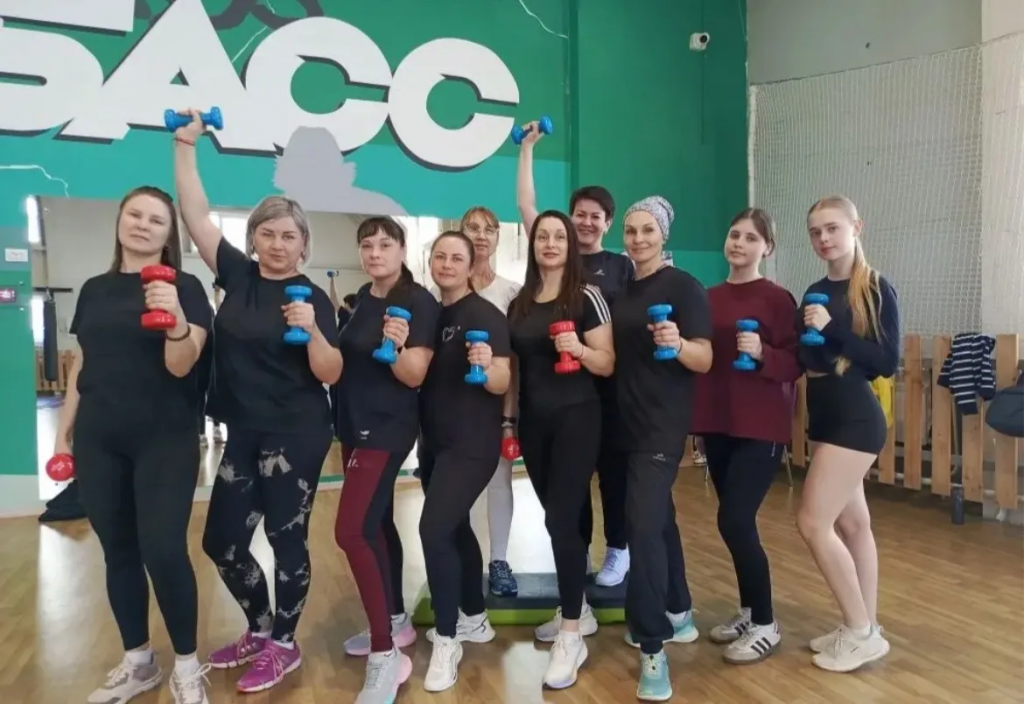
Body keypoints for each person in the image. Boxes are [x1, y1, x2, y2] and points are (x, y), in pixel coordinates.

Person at [173, 110, 342, 693]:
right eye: (267, 233)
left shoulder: (313, 296)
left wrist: (312, 329)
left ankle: (285, 646)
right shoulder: (237, 275)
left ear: (303, 245)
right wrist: (185, 144)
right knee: (220, 542)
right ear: (253, 239)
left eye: (288, 236)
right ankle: (261, 626)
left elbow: (331, 371)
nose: (277, 243)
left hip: (297, 431)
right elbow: (194, 214)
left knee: (286, 540)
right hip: (243, 431)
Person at [54, 186, 213, 704]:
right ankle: (138, 662)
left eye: (156, 220)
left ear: (169, 235)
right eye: (135, 215)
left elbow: (182, 365)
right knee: (118, 550)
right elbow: (83, 363)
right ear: (120, 221)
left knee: (163, 549)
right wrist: (63, 433)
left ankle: (186, 666)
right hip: (99, 438)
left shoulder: (186, 287)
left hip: (165, 438)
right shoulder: (94, 289)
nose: (143, 225)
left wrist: (177, 320)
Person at [517, 124, 632, 587]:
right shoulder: (556, 260)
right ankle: (576, 555)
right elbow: (527, 206)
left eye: (594, 216)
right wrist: (527, 148)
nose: (585, 222)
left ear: (607, 222)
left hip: (610, 389)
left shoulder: (621, 267)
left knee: (613, 476)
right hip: (561, 395)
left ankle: (618, 549)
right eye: (578, 215)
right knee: (569, 491)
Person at [505, 210, 615, 689]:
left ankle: (571, 633)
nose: (549, 243)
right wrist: (509, 421)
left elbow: (607, 363)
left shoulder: (586, 295)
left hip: (577, 418)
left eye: (558, 237)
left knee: (559, 520)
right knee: (563, 516)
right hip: (534, 423)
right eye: (541, 237)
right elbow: (515, 369)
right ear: (532, 245)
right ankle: (580, 607)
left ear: (571, 245)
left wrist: (581, 349)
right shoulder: (520, 303)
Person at [332, 216, 439, 703]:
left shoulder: (418, 301)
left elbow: (414, 374)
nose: (375, 253)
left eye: (384, 244)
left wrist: (393, 346)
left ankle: (385, 654)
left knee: (350, 531)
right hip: (352, 425)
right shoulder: (362, 298)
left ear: (401, 250)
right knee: (374, 525)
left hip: (386, 428)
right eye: (367, 245)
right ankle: (395, 622)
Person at [611, 196, 712, 701]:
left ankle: (653, 644)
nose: (638, 239)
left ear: (663, 234)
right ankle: (679, 609)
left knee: (642, 526)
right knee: (659, 518)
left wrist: (679, 342)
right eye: (631, 231)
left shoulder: (683, 286)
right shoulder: (622, 288)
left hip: (661, 424)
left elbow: (704, 358)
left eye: (647, 230)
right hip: (622, 423)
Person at [691, 208, 801, 664]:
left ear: (766, 248)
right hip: (718, 423)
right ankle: (750, 610)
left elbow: (795, 363)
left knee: (734, 520)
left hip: (760, 425)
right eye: (734, 234)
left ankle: (766, 623)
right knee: (736, 522)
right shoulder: (707, 297)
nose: (739, 243)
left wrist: (762, 354)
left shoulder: (778, 299)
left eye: (751, 238)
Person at [796, 195, 899, 673]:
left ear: (856, 227)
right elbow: (808, 358)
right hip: (824, 414)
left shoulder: (875, 287)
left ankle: (860, 632)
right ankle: (866, 625)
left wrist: (834, 329)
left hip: (856, 417)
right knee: (853, 524)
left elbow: (885, 361)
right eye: (816, 232)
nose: (824, 239)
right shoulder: (815, 291)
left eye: (832, 228)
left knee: (812, 522)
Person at [418, 230, 509, 691]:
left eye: (457, 258)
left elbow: (502, 380)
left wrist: (488, 364)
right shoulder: (433, 314)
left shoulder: (485, 314)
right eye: (440, 256)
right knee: (455, 528)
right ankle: (475, 616)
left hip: (471, 445)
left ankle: (447, 637)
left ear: (472, 265)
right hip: (434, 442)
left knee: (432, 530)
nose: (447, 264)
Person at [428, 206, 523, 597]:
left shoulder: (511, 293)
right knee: (451, 504)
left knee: (500, 482)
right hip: (448, 419)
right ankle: (461, 578)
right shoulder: (438, 296)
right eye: (472, 228)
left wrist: (509, 419)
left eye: (489, 229)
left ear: (498, 237)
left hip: (493, 411)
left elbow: (512, 363)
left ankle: (498, 560)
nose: (481, 235)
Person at [197, 282, 224, 446]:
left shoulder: (214, 317)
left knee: (214, 396)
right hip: (200, 363)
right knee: (200, 397)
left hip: (214, 362)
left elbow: (220, 307)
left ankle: (216, 429)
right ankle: (201, 432)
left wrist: (217, 292)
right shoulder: (197, 319)